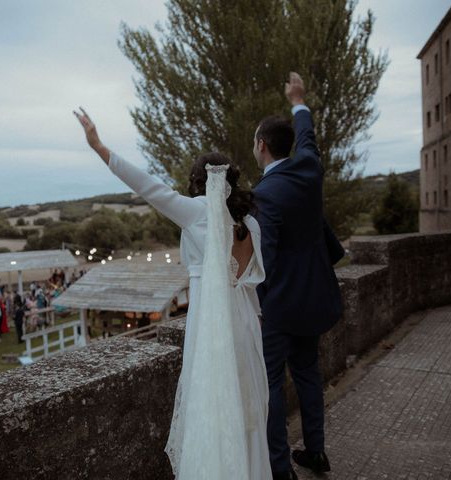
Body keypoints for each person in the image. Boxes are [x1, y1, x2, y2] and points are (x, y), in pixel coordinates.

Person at [75, 108, 271, 479]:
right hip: (246, 324)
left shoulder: (196, 213)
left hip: (212, 329)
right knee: (247, 419)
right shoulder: (251, 223)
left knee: (213, 417)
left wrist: (100, 148)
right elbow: (249, 282)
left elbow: (148, 187)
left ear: (199, 184)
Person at [252, 72, 344, 480]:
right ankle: (317, 453)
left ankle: (280, 471)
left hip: (281, 309)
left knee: (270, 388)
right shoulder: (309, 168)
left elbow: (264, 259)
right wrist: (298, 100)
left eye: (255, 143)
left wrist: (258, 303)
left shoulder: (265, 195)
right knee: (308, 376)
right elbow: (306, 135)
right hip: (316, 299)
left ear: (263, 146)